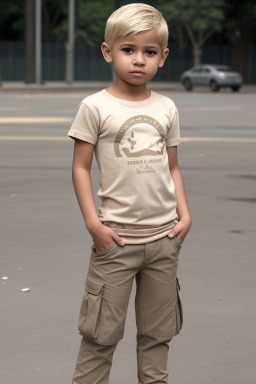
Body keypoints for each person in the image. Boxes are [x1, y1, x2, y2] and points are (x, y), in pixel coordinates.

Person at [68, 3, 192, 384]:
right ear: (108, 51)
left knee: (158, 336)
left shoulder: (167, 107)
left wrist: (185, 216)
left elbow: (172, 167)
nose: (139, 60)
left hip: (164, 241)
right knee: (100, 336)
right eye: (128, 50)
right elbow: (80, 168)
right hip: (115, 241)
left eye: (149, 52)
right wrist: (94, 224)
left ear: (162, 57)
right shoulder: (95, 107)